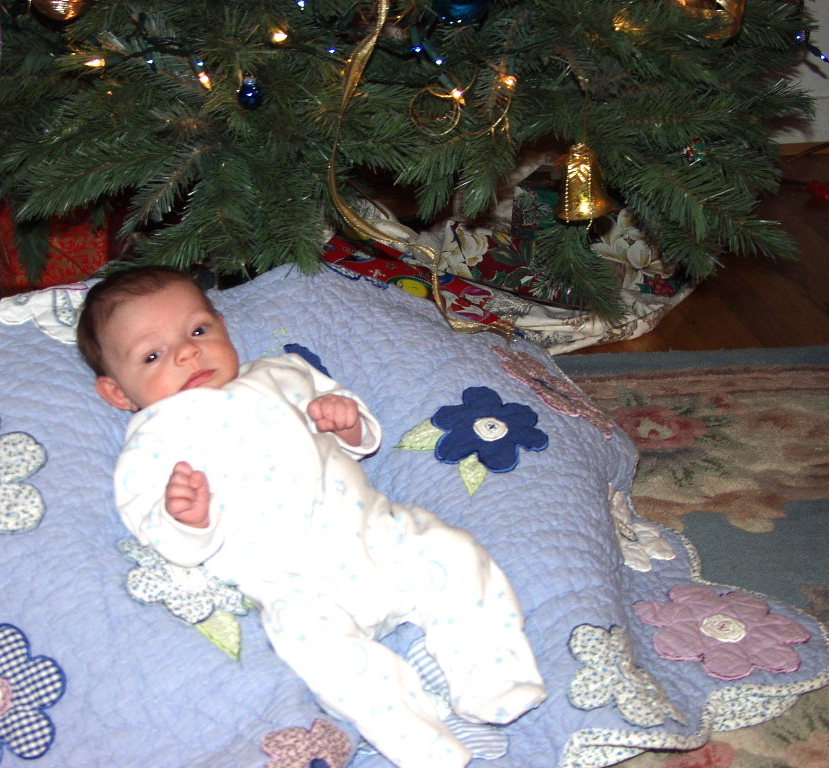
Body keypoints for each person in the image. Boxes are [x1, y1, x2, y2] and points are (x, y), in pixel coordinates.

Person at [77, 266, 546, 768]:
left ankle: (493, 677)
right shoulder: (153, 438)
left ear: (223, 326)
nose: (187, 353)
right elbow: (158, 533)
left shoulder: (282, 373)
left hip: (378, 534)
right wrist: (186, 519)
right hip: (295, 585)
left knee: (456, 554)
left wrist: (347, 422)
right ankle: (421, 742)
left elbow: (360, 435)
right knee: (320, 654)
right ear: (118, 393)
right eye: (152, 356)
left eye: (197, 330)